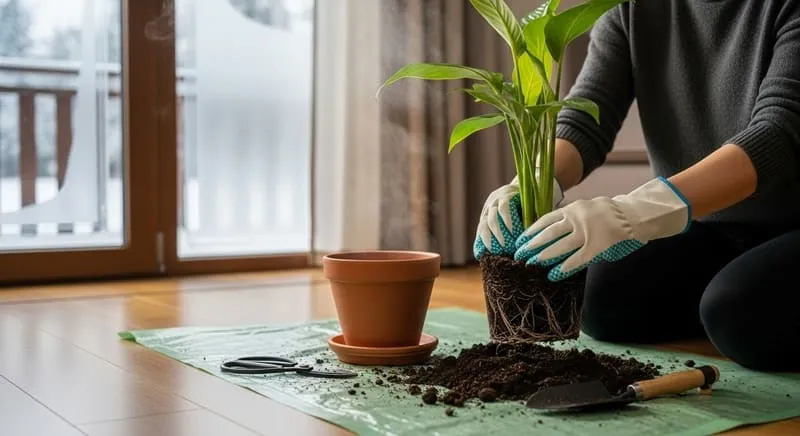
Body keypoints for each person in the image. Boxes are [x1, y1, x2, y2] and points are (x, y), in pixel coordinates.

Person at [473, 1, 800, 372]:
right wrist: (532, 181)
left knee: (739, 313)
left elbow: (779, 135)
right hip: (709, 226)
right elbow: (587, 114)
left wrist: (637, 210)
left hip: (791, 225)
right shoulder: (630, 6)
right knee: (599, 299)